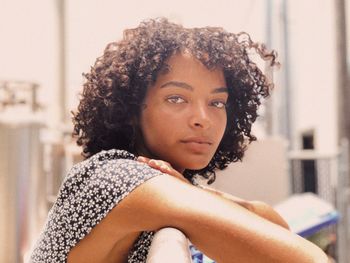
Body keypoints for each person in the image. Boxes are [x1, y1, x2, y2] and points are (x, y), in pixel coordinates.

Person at [30, 18, 328, 262]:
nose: (202, 118)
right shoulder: (113, 177)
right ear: (132, 109)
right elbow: (306, 258)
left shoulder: (175, 188)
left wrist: (193, 192)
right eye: (176, 98)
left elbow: (273, 225)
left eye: (217, 103)